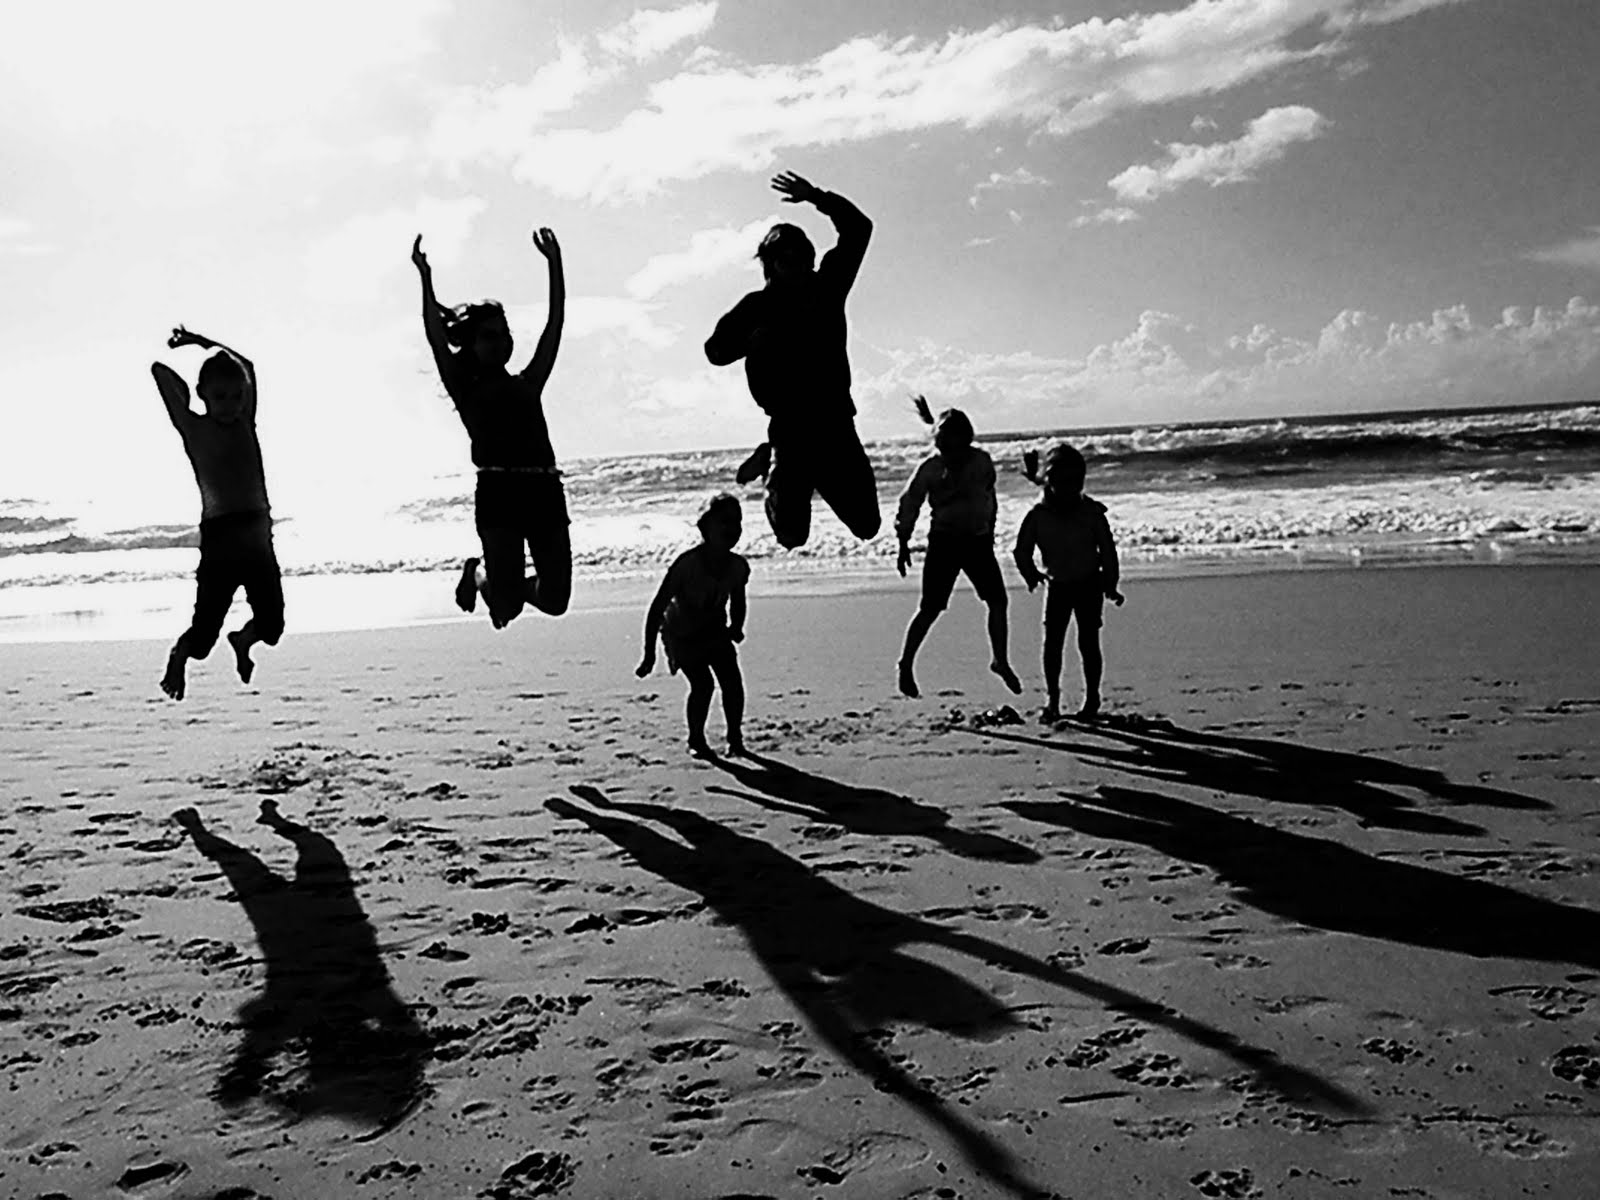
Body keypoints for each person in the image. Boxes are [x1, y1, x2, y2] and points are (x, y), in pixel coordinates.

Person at [705, 171, 880, 549]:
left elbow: (859, 228)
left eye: (806, 256)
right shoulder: (757, 307)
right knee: (791, 536)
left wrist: (816, 196)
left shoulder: (827, 287)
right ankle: (772, 465)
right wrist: (754, 340)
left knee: (867, 526)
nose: (802, 264)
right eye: (791, 258)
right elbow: (715, 352)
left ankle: (778, 463)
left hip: (835, 423)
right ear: (771, 263)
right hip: (790, 430)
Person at [412, 227, 570, 629]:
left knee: (555, 600)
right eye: (488, 336)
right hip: (498, 492)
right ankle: (478, 572)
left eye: (504, 335)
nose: (499, 343)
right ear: (470, 342)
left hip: (544, 489)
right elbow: (434, 335)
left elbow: (554, 326)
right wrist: (425, 277)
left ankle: (502, 583)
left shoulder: (528, 383)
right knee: (506, 608)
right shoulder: (465, 388)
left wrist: (555, 265)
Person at [150, 326, 283, 700]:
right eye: (221, 396)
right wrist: (188, 389)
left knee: (272, 628)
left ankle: (243, 640)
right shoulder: (193, 427)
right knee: (203, 639)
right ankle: (179, 654)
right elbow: (159, 371)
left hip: (257, 535)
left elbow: (249, 366)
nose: (230, 404)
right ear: (205, 395)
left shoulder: (245, 421)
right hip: (221, 540)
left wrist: (198, 340)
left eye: (237, 396)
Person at [894, 397, 1021, 700]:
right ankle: (906, 664)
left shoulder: (981, 461)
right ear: (938, 443)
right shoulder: (931, 468)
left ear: (967, 440)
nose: (952, 453)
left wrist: (991, 528)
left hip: (977, 541)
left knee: (998, 601)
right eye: (945, 446)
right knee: (930, 608)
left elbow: (989, 496)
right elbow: (909, 503)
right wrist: (903, 541)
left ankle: (1000, 660)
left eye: (957, 445)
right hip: (944, 543)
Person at [1013, 443, 1124, 722]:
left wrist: (1111, 584)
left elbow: (1108, 550)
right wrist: (1030, 573)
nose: (1070, 487)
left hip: (1089, 584)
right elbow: (1021, 550)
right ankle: (1052, 698)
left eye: (1076, 482)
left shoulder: (1091, 512)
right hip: (1058, 586)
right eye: (1063, 481)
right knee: (1053, 644)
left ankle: (1092, 697)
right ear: (1049, 481)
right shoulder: (1038, 515)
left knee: (1088, 643)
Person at [637, 494, 750, 758]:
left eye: (737, 523)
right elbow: (657, 608)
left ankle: (735, 737)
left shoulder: (737, 566)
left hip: (715, 632)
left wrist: (737, 626)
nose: (731, 529)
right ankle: (696, 739)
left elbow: (738, 601)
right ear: (705, 528)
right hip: (682, 635)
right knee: (703, 685)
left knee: (733, 683)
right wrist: (649, 654)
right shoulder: (686, 565)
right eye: (724, 522)